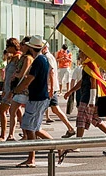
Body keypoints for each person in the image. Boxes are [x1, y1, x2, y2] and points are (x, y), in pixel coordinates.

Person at [13, 35, 66, 167]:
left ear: (31, 48)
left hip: (37, 98)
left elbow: (29, 79)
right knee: (34, 128)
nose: (25, 48)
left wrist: (17, 89)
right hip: (40, 97)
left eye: (27, 46)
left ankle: (32, 159)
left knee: (29, 127)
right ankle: (58, 147)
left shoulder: (38, 61)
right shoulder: (42, 59)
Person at [64, 51, 106, 150]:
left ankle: (77, 144)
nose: (79, 54)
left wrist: (91, 100)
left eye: (81, 52)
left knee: (81, 119)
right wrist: (71, 91)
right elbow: (82, 81)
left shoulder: (91, 64)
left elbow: (93, 81)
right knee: (95, 119)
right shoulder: (86, 65)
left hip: (88, 97)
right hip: (86, 96)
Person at [42, 44, 76, 138]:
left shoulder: (47, 57)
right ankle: (70, 128)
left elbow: (51, 72)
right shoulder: (50, 56)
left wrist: (51, 88)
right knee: (55, 109)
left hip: (49, 88)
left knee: (41, 109)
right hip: (51, 87)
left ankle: (34, 132)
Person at [0, 40, 22, 142]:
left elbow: (18, 75)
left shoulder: (18, 58)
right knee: (16, 112)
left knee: (2, 110)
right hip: (8, 88)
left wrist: (11, 90)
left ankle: (3, 135)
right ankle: (23, 133)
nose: (7, 48)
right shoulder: (11, 58)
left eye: (8, 46)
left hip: (12, 90)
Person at [7, 36, 34, 140]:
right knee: (15, 111)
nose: (21, 46)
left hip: (23, 89)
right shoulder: (23, 57)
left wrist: (15, 75)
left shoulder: (28, 58)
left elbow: (24, 73)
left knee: (15, 110)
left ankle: (24, 134)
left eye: (23, 44)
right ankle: (22, 134)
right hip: (19, 88)